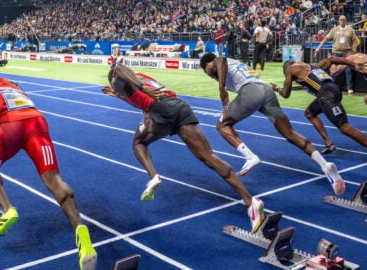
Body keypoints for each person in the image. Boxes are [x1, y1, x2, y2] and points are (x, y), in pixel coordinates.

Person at [102, 62, 265, 232]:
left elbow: (119, 69)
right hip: (179, 106)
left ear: (115, 81)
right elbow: (137, 96)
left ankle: (153, 177)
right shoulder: (139, 79)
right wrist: (120, 94)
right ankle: (250, 203)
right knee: (209, 157)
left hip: (161, 110)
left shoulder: (121, 79)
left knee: (139, 143)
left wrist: (129, 85)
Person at [0, 71, 96, 270]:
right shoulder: (11, 84)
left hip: (10, 124)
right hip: (37, 122)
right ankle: (79, 228)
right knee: (54, 179)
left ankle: (8, 209)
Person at [199, 53, 346, 193]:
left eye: (207, 71)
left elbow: (220, 61)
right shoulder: (235, 64)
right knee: (289, 132)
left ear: (208, 64)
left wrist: (222, 90)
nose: (209, 74)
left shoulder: (220, 61)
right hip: (266, 91)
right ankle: (325, 165)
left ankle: (250, 157)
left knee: (222, 125)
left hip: (252, 91)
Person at [272, 58, 367, 174]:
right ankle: (329, 144)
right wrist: (353, 64)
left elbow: (286, 94)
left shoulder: (290, 70)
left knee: (344, 127)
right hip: (333, 90)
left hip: (326, 94)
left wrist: (277, 88)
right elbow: (332, 60)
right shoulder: (312, 65)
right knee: (309, 113)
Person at [314, 15, 360, 94]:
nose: (342, 21)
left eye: (344, 20)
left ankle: (349, 88)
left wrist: (354, 53)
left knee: (348, 70)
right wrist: (319, 47)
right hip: (336, 53)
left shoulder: (351, 30)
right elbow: (326, 39)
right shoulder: (334, 30)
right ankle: (332, 87)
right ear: (338, 21)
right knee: (333, 71)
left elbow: (354, 41)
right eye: (341, 20)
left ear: (346, 21)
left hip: (347, 53)